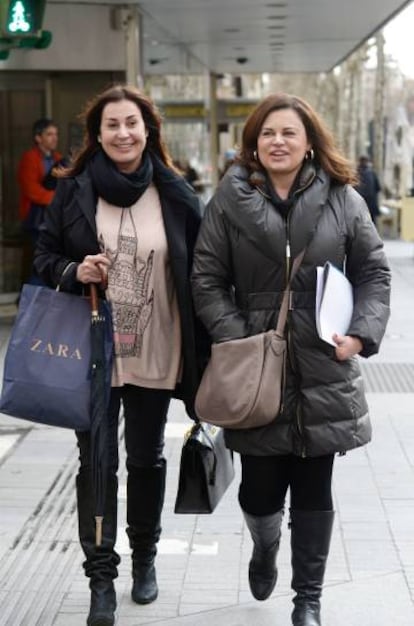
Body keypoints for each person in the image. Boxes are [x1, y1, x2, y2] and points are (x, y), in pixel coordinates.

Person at [191, 93, 391, 626]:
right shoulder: (227, 203)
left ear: (308, 144)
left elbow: (373, 271)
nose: (278, 141)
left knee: (313, 486)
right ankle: (265, 544)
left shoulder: (343, 199)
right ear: (253, 143)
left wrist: (360, 334)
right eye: (268, 133)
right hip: (254, 368)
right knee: (259, 491)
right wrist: (240, 337)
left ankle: (309, 599)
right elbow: (206, 278)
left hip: (324, 362)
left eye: (289, 133)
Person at [34, 84, 208, 626]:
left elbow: (203, 271)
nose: (123, 133)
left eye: (132, 123)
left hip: (159, 347)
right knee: (97, 462)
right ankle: (101, 576)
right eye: (112, 125)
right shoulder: (75, 190)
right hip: (94, 354)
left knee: (146, 459)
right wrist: (73, 271)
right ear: (98, 134)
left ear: (148, 129)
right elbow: (43, 256)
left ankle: (146, 559)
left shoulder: (176, 193)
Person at [17, 118, 64, 285]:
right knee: (37, 262)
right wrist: (58, 199)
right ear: (38, 138)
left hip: (53, 219)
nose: (54, 138)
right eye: (49, 134)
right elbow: (32, 191)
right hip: (35, 219)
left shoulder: (59, 158)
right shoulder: (29, 158)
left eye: (56, 134)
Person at [355, 155, 381, 225]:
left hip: (359, 205)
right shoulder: (372, 173)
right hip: (371, 204)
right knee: (371, 223)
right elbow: (378, 188)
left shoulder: (355, 174)